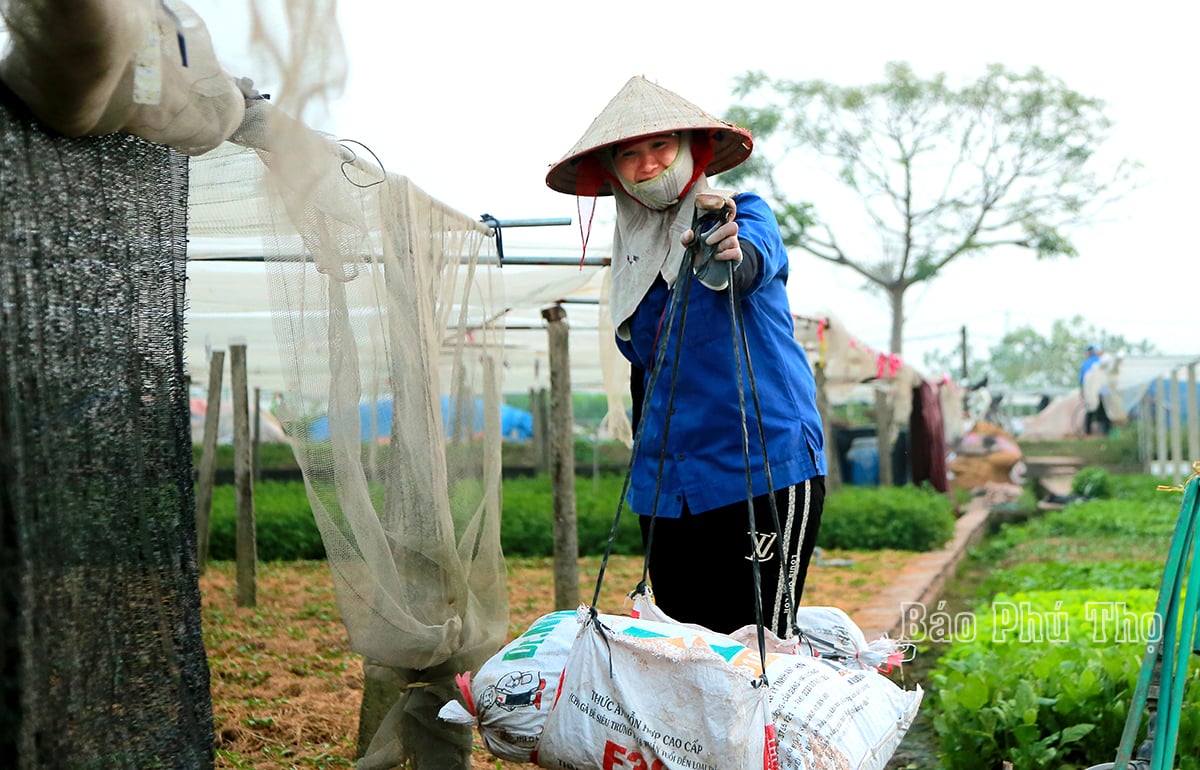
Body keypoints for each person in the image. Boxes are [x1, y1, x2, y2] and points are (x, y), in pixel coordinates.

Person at [546, 76, 827, 637]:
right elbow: (646, 374)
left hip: (760, 465)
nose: (647, 165)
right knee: (682, 647)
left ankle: (762, 730)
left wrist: (726, 250)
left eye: (660, 148)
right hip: (668, 486)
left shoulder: (742, 212)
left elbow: (747, 261)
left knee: (755, 643)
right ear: (614, 173)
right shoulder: (628, 263)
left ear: (693, 152)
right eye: (630, 155)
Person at [1079, 343, 1112, 436]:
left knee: (1090, 410)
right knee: (1104, 411)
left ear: (1088, 353)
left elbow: (1081, 381)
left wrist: (1082, 394)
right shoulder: (1101, 361)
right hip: (1104, 391)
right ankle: (1106, 432)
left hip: (1091, 392)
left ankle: (1087, 432)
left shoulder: (1085, 364)